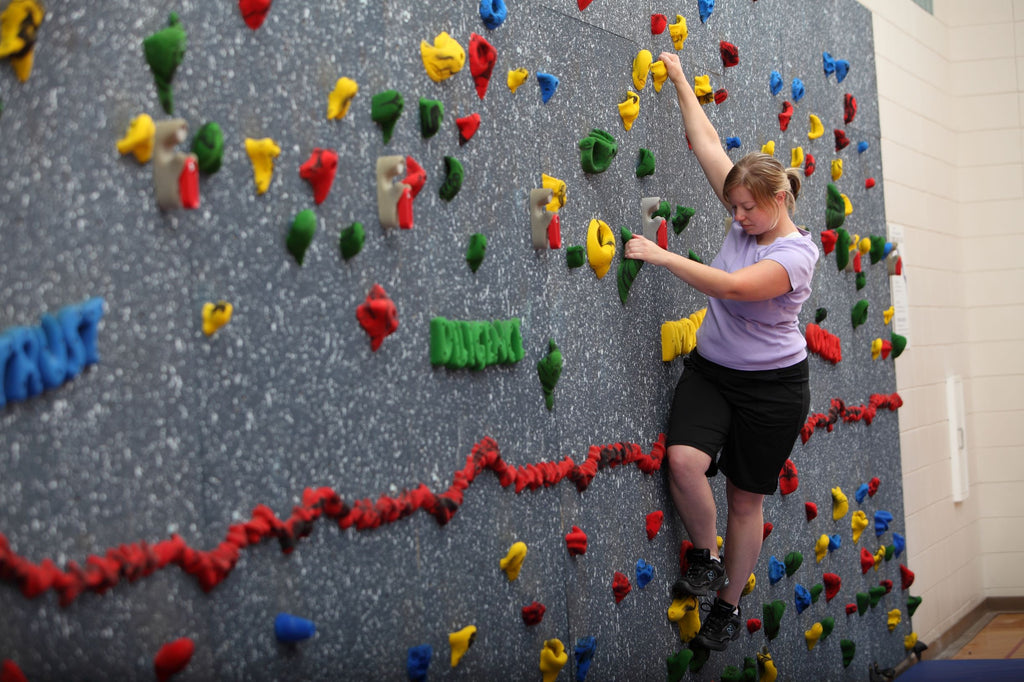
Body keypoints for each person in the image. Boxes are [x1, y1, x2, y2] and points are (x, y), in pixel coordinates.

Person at [624, 52, 819, 652]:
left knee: (744, 496)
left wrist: (661, 256)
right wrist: (680, 78)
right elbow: (706, 140)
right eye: (732, 206)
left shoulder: (793, 256)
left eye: (746, 209)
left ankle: (729, 605)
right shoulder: (746, 217)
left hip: (773, 389)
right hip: (713, 371)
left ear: (778, 200)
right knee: (683, 461)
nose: (735, 217)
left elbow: (733, 288)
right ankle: (704, 558)